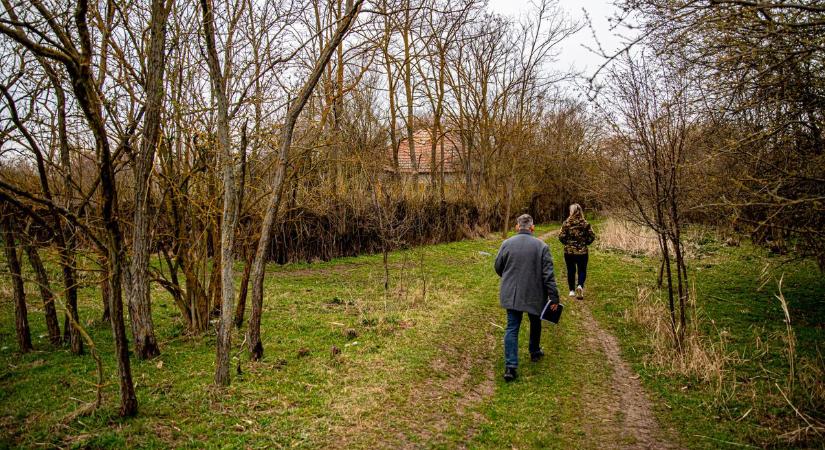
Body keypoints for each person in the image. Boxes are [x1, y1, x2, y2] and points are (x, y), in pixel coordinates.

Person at [494, 214, 560, 382]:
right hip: (535, 293)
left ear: (517, 227)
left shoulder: (506, 244)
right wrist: (554, 297)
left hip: (512, 293)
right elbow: (548, 276)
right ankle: (534, 351)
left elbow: (498, 267)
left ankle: (510, 367)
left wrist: (509, 277)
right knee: (535, 322)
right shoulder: (542, 247)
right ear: (532, 227)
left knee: (512, 327)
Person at [558, 204, 596, 300]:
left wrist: (567, 243)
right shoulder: (585, 223)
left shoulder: (566, 223)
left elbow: (561, 236)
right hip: (582, 252)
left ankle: (571, 291)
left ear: (571, 211)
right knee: (582, 270)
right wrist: (586, 243)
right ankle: (580, 285)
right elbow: (592, 236)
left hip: (569, 252)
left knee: (571, 270)